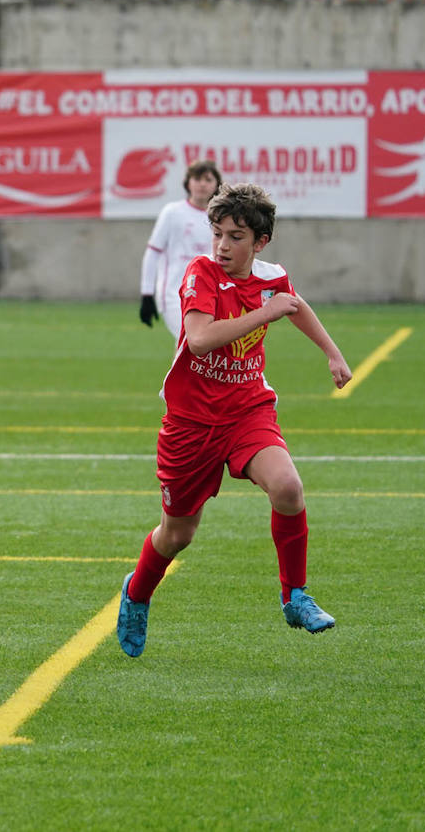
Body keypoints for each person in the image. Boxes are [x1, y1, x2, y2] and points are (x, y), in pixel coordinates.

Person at [117, 182, 352, 658]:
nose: (223, 246)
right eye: (218, 233)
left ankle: (295, 595)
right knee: (178, 534)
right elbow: (201, 340)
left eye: (236, 237)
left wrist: (332, 353)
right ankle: (137, 593)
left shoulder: (270, 277)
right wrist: (264, 312)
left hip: (247, 410)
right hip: (190, 423)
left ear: (260, 242)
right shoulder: (200, 273)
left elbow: (294, 303)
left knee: (288, 488)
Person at [140, 159, 222, 339]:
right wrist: (147, 294)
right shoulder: (172, 212)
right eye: (197, 178)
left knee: (198, 352)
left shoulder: (221, 217)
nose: (202, 184)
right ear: (188, 182)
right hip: (174, 295)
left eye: (208, 179)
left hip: (210, 294)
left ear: (217, 184)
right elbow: (153, 252)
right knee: (194, 342)